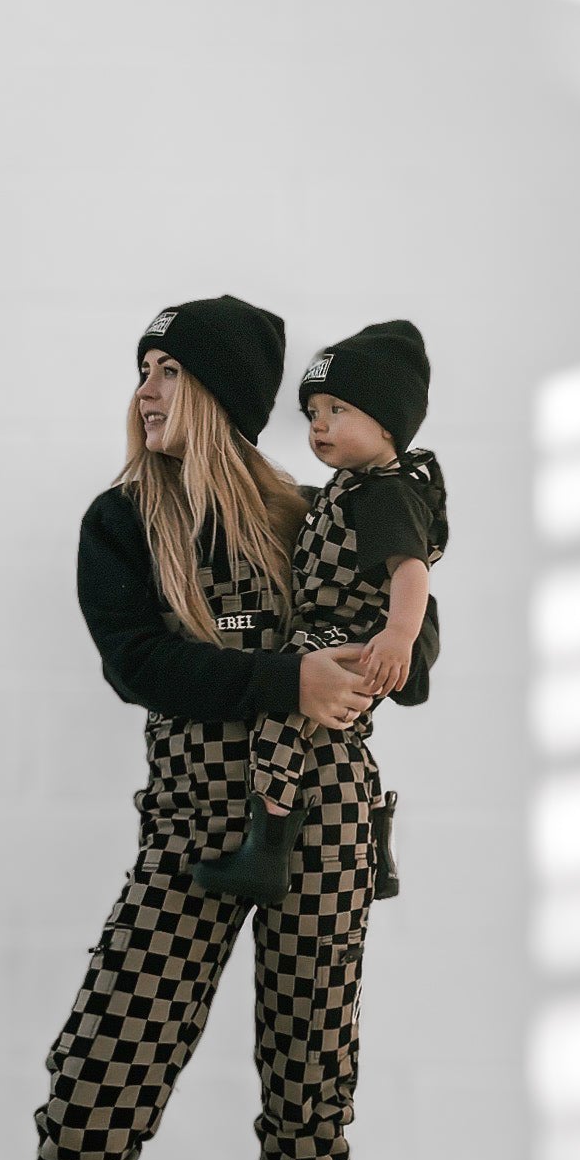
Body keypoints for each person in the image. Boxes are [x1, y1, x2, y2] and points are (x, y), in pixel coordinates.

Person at [0, 294, 439, 1160]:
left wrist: (387, 641)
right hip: (190, 837)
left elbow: (417, 658)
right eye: (144, 368)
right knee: (89, 1098)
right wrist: (287, 677)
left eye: (172, 371)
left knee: (308, 1106)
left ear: (222, 397)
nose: (148, 389)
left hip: (323, 830)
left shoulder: (321, 510)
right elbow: (138, 664)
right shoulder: (122, 520)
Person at [191, 320, 448, 905]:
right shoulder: (352, 488)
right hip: (342, 630)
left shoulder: (385, 493)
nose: (319, 425)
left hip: (346, 633)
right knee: (342, 735)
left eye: (338, 409)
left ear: (387, 424)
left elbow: (410, 570)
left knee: (283, 706)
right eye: (312, 413)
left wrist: (399, 635)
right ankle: (378, 853)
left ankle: (266, 847)